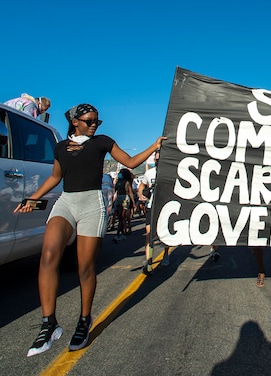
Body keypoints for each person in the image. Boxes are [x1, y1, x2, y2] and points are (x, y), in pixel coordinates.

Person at [15, 104, 165, 356]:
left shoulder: (102, 142)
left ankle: (85, 319)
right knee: (49, 256)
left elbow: (128, 161)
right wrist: (33, 197)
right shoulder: (61, 147)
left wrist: (153, 146)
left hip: (91, 204)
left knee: (85, 267)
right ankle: (49, 324)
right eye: (89, 121)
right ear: (75, 122)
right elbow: (55, 177)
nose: (94, 124)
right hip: (66, 202)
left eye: (97, 121)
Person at [138, 150, 169, 274]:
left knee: (165, 233)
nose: (157, 161)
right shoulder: (149, 173)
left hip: (165, 206)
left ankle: (166, 255)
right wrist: (141, 194)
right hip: (151, 206)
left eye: (160, 159)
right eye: (156, 159)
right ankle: (148, 260)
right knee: (149, 233)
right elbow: (142, 185)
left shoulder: (168, 173)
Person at [112, 168, 135, 242]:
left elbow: (130, 192)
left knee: (122, 216)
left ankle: (118, 234)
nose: (119, 174)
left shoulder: (127, 182)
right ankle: (121, 233)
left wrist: (133, 203)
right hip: (119, 199)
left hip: (125, 199)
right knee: (120, 217)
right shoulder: (118, 182)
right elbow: (116, 192)